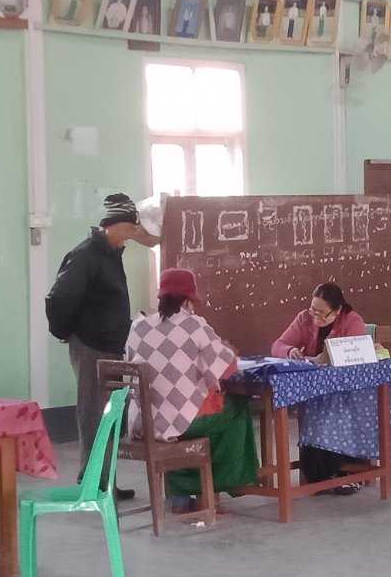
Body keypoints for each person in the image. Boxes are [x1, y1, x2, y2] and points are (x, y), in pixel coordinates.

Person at [46, 193, 160, 501]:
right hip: (91, 346)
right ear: (114, 224)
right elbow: (59, 299)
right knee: (93, 413)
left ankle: (105, 479)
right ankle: (92, 481)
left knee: (110, 413)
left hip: (110, 345)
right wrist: (68, 333)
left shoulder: (111, 253)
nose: (133, 234)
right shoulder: (85, 256)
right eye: (130, 227)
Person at [125, 269, 259, 510]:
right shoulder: (194, 325)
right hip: (181, 424)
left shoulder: (139, 327)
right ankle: (224, 484)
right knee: (234, 410)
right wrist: (227, 349)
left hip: (142, 424)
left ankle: (181, 495)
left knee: (178, 418)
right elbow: (226, 367)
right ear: (188, 301)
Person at [270, 283, 370, 490]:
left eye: (322, 313)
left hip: (346, 391)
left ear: (337, 310)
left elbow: (359, 356)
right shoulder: (304, 318)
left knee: (331, 413)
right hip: (315, 391)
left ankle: (338, 472)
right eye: (313, 310)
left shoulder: (352, 321)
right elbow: (278, 345)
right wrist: (290, 351)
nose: (316, 316)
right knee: (316, 413)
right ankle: (319, 475)